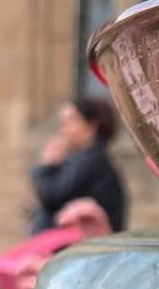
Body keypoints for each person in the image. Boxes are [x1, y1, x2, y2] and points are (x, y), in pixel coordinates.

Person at [30, 97, 127, 234]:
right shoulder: (82, 159)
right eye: (62, 123)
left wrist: (46, 166)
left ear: (91, 125)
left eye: (70, 122)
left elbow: (52, 195)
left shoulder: (90, 161)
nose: (64, 130)